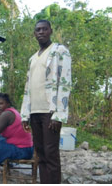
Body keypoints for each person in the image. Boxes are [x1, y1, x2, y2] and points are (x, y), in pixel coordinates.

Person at [20, 20, 71, 184]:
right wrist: (25, 114)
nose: (41, 32)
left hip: (50, 111)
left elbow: (65, 82)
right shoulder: (32, 58)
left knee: (51, 153)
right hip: (34, 111)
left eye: (44, 29)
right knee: (40, 153)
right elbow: (28, 87)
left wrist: (59, 114)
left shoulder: (59, 51)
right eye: (37, 30)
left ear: (50, 31)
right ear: (34, 34)